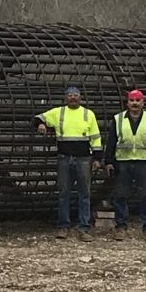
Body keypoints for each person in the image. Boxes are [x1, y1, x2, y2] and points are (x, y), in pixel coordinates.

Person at [35, 84, 101, 232]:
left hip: (84, 159)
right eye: (70, 95)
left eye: (75, 95)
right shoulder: (58, 112)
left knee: (84, 193)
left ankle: (84, 226)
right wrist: (41, 124)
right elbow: (38, 117)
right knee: (64, 192)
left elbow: (96, 137)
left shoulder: (88, 114)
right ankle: (63, 225)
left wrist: (97, 158)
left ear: (80, 97)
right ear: (65, 98)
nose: (73, 97)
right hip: (65, 158)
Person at [109, 87, 146, 233]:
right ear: (127, 103)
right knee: (120, 195)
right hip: (123, 162)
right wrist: (109, 161)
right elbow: (111, 142)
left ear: (142, 102)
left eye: (137, 100)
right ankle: (120, 225)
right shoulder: (118, 119)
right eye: (132, 100)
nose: (134, 103)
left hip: (144, 162)